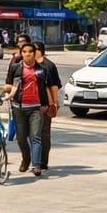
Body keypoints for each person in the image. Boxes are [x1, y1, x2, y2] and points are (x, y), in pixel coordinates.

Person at [2, 42, 54, 177]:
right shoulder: (15, 68)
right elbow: (8, 84)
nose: (27, 54)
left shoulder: (42, 69)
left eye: (30, 52)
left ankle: (36, 165)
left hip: (37, 107)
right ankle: (26, 158)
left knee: (35, 137)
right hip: (19, 107)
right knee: (21, 137)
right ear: (21, 53)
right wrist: (8, 90)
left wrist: (50, 103)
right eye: (24, 52)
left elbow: (48, 87)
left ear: (34, 53)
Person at [31, 46, 63, 175]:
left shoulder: (48, 66)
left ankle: (42, 162)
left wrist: (54, 102)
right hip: (31, 103)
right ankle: (36, 161)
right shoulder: (29, 65)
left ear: (39, 51)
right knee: (34, 134)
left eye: (33, 50)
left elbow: (55, 86)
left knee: (43, 133)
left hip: (45, 103)